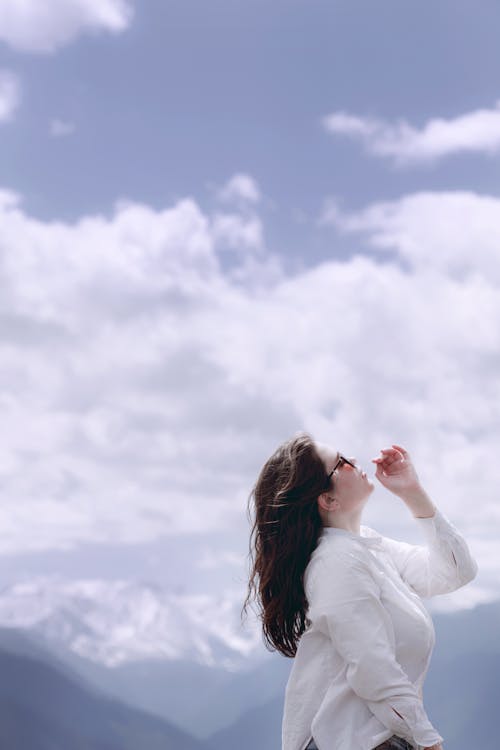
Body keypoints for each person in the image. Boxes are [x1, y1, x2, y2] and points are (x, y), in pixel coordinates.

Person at [242, 432, 478, 750]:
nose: (354, 460)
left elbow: (455, 571)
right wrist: (427, 740)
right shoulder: (337, 561)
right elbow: (372, 665)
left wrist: (412, 492)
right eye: (341, 463)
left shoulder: (367, 546)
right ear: (328, 500)